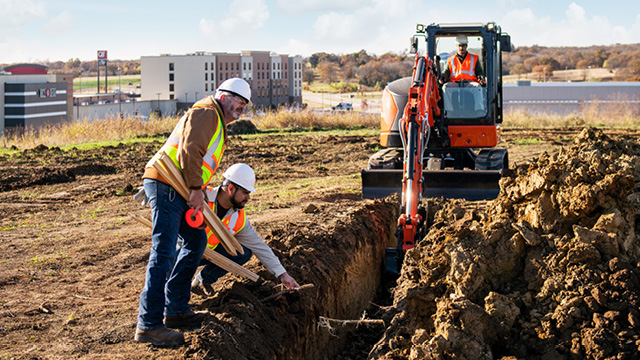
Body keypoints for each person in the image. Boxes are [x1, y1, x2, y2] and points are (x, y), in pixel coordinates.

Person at [134, 78, 252, 347]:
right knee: (163, 250)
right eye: (238, 100)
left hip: (178, 185)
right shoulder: (208, 112)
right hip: (169, 184)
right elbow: (190, 149)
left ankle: (175, 310)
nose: (242, 107)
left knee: (196, 240)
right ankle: (149, 324)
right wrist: (197, 189)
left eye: (245, 103)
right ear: (223, 96)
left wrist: (196, 187)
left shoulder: (217, 121)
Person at [191, 163, 300, 296]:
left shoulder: (239, 218)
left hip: (206, 254)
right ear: (231, 188)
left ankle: (202, 281)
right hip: (182, 251)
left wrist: (283, 274)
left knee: (243, 252)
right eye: (245, 192)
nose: (248, 197)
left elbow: (259, 246)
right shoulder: (200, 198)